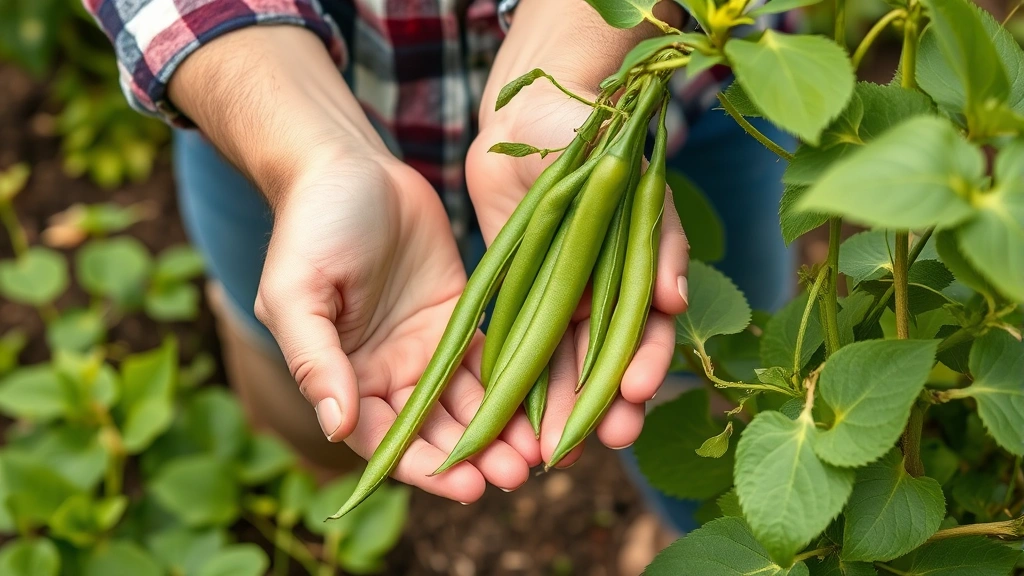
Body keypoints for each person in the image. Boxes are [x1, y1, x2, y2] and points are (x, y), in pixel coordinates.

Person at [85, 0, 794, 568]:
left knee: (711, 376)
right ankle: (322, 485)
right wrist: (308, 154)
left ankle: (696, 539)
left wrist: (584, 45)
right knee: (299, 368)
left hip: (698, 102)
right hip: (269, 111)